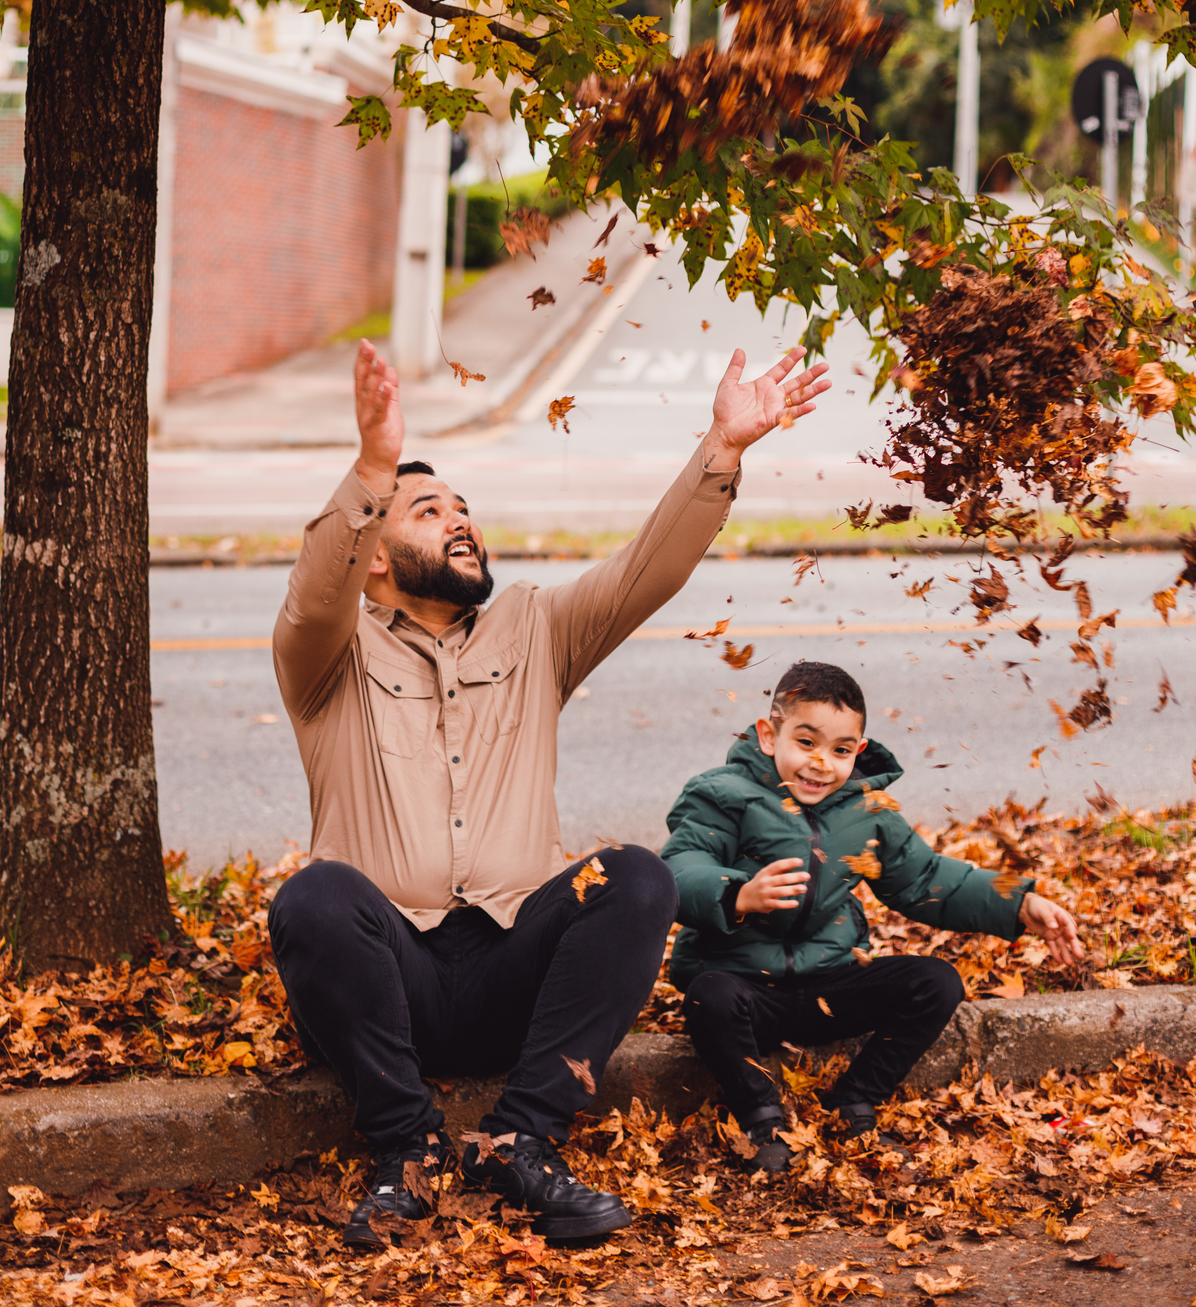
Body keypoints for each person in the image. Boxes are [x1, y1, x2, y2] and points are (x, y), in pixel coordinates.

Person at [268, 335, 831, 1246]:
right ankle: (404, 1157)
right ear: (373, 555)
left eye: (464, 507)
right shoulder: (328, 654)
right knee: (316, 895)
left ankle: (520, 1143)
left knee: (637, 877)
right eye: (426, 511)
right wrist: (374, 466)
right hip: (389, 984)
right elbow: (312, 595)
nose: (460, 520)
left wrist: (721, 450)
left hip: (509, 972)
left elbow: (644, 572)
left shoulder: (534, 630)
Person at [661, 660, 1084, 1170]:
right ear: (769, 736)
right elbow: (679, 869)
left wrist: (1019, 901)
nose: (822, 763)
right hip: (747, 993)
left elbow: (926, 879)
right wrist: (737, 895)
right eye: (807, 742)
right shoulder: (722, 795)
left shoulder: (868, 810)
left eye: (840, 750)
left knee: (936, 982)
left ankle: (855, 1099)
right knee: (710, 996)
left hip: (830, 985)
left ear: (858, 751)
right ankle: (761, 1119)